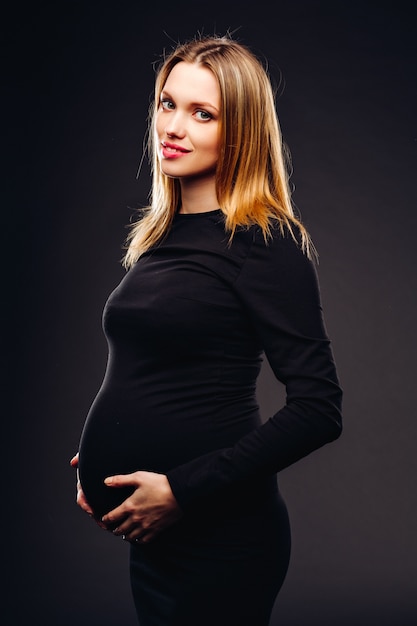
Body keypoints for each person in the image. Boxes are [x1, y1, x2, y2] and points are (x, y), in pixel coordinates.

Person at [71, 34, 343, 626]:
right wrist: (103, 455)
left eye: (203, 114)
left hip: (220, 540)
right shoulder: (161, 238)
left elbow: (320, 408)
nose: (174, 125)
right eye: (167, 104)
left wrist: (182, 489)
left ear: (240, 131)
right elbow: (161, 370)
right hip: (155, 540)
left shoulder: (265, 243)